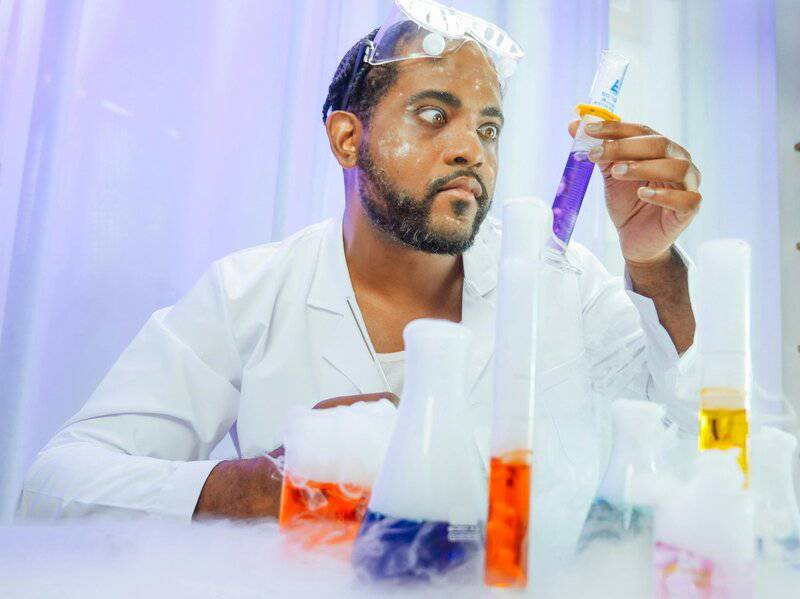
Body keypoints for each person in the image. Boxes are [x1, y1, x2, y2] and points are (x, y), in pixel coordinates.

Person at [17, 2, 700, 525]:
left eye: (489, 128)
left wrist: (655, 263)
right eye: (435, 114)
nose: (473, 149)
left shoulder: (561, 279)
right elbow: (53, 485)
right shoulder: (249, 293)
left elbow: (689, 433)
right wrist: (256, 489)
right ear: (348, 137)